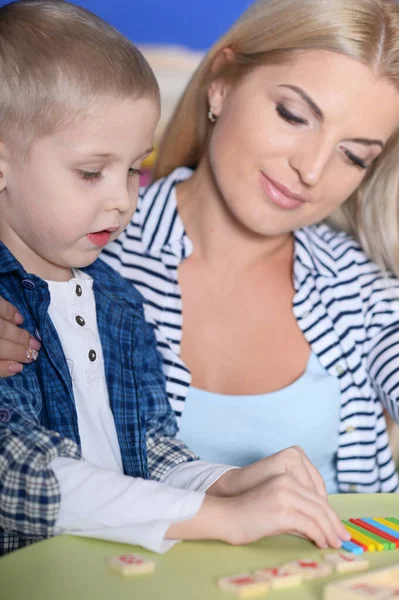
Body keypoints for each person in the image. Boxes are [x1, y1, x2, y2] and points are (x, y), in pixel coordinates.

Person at [1, 0, 399, 499]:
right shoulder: (78, 246)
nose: (313, 170)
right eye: (294, 116)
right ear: (222, 82)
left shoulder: (361, 289)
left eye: (354, 155)